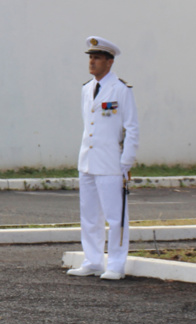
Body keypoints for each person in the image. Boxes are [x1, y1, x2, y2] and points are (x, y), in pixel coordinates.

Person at [67, 36, 139, 281]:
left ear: (109, 62)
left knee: (115, 216)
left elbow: (131, 128)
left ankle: (116, 265)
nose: (92, 62)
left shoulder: (120, 89)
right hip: (88, 160)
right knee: (89, 216)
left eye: (97, 58)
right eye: (90, 57)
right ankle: (93, 260)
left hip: (111, 163)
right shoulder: (87, 88)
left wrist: (126, 162)